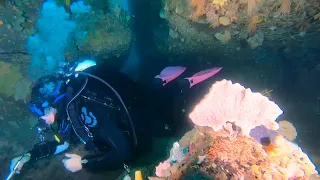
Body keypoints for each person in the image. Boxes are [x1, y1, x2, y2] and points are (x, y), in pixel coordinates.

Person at [9, 61, 221, 174]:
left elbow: (124, 151)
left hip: (137, 114)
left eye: (41, 114)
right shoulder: (67, 115)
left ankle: (183, 86)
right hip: (129, 100)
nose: (42, 121)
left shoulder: (84, 111)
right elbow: (60, 144)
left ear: (50, 106)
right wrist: (28, 156)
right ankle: (158, 81)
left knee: (169, 129)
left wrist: (83, 163)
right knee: (146, 94)